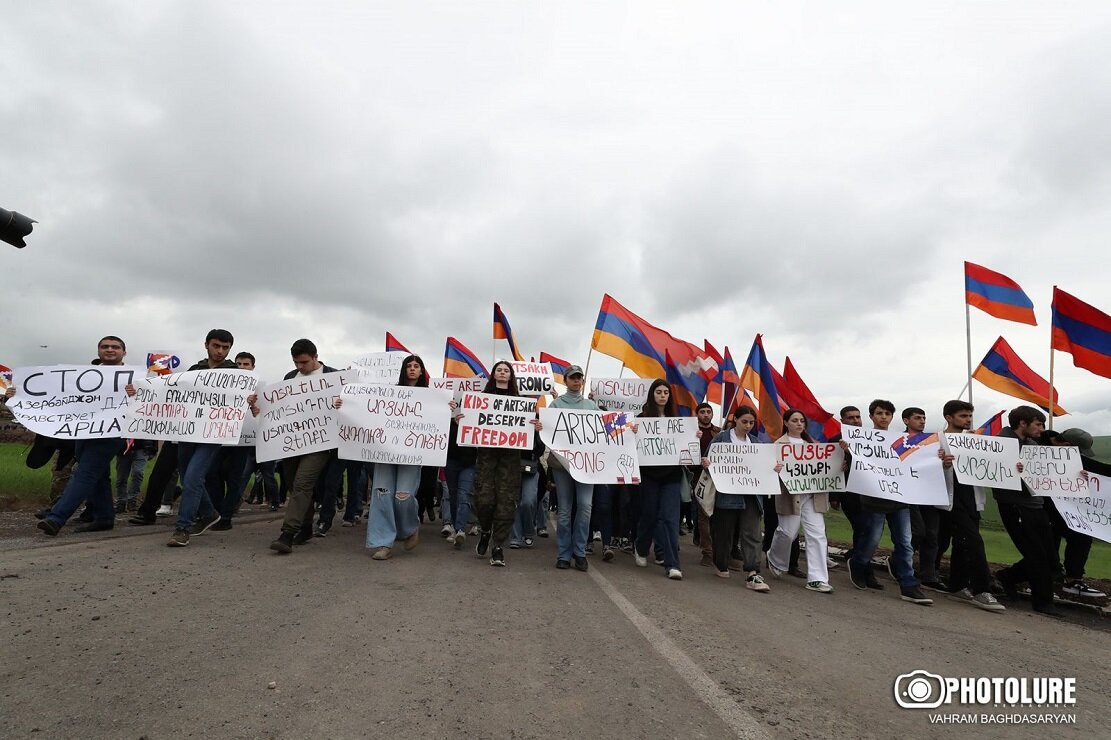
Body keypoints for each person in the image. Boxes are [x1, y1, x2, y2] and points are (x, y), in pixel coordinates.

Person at [27, 336, 130, 536]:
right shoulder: (82, 376)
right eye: (105, 346)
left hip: (112, 432)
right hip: (83, 432)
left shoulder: (133, 378)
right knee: (99, 476)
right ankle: (104, 518)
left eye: (115, 347)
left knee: (85, 473)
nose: (110, 350)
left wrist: (136, 392)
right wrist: (20, 392)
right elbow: (52, 393)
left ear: (123, 352)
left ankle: (56, 518)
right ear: (98, 350)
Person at [155, 329, 238, 547]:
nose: (220, 351)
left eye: (225, 347)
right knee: (186, 476)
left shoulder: (236, 374)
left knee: (193, 478)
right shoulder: (194, 370)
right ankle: (209, 513)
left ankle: (183, 528)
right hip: (187, 432)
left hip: (212, 434)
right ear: (207, 345)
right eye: (216, 346)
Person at [846, 400, 933, 606]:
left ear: (892, 417)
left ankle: (909, 584)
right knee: (872, 540)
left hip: (900, 500)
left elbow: (918, 463)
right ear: (872, 416)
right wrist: (850, 451)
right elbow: (859, 463)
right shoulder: (863, 439)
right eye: (879, 413)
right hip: (874, 500)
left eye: (887, 413)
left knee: (904, 542)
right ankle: (857, 563)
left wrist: (937, 457)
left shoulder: (903, 441)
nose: (883, 417)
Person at [260, 339, 341, 554]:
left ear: (315, 357)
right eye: (296, 362)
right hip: (292, 443)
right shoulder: (290, 378)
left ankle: (287, 533)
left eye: (304, 362)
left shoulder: (334, 377)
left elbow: (351, 407)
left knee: (303, 483)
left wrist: (342, 403)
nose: (300, 367)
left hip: (320, 444)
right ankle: (305, 527)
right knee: (295, 484)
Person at [994, 406, 1063, 617]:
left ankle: (1007, 577)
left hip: (1036, 504)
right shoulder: (1000, 444)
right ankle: (1043, 601)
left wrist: (1074, 476)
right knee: (1036, 554)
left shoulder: (1033, 445)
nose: (1042, 429)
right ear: (1022, 423)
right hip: (1014, 505)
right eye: (1038, 424)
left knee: (1051, 558)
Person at [470, 361, 540, 566]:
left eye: (506, 370)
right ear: (493, 374)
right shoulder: (481, 400)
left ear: (511, 376)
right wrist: (463, 420)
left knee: (506, 502)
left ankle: (498, 546)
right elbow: (471, 423)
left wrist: (536, 425)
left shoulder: (521, 403)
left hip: (510, 459)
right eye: (499, 370)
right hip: (486, 457)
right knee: (484, 500)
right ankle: (485, 530)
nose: (502, 372)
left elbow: (531, 429)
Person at [937, 400, 1005, 612]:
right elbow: (920, 467)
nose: (968, 420)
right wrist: (942, 464)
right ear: (949, 417)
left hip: (972, 498)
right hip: (949, 497)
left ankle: (957, 585)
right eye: (963, 416)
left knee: (962, 542)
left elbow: (995, 463)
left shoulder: (975, 440)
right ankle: (981, 590)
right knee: (974, 541)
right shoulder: (935, 440)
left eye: (969, 416)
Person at [363, 354, 432, 560]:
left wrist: (447, 410)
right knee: (382, 494)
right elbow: (366, 410)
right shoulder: (389, 394)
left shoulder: (431, 398)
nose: (412, 369)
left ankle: (410, 528)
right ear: (403, 370)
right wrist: (346, 405)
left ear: (421, 371)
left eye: (416, 366)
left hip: (411, 454)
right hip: (385, 452)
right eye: (408, 366)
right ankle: (383, 543)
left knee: (403, 496)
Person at [703, 405, 770, 592]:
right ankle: (721, 562)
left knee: (752, 532)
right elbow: (709, 462)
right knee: (724, 532)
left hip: (751, 495)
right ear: (735, 420)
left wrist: (773, 469)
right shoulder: (721, 439)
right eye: (744, 422)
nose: (748, 426)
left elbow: (764, 467)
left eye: (751, 422)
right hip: (727, 494)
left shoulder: (756, 443)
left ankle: (752, 572)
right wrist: (707, 463)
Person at [766, 409, 833, 593]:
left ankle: (817, 579)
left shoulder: (813, 446)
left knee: (817, 534)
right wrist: (775, 469)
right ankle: (775, 558)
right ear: (786, 423)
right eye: (794, 420)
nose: (799, 423)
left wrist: (838, 465)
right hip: (790, 496)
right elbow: (767, 470)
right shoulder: (777, 445)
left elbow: (826, 466)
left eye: (802, 420)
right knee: (788, 533)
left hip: (813, 495)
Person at [547, 364, 600, 572]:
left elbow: (606, 431)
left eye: (579, 378)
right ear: (566, 381)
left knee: (585, 507)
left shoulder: (591, 406)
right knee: (565, 510)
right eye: (572, 378)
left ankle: (579, 552)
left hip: (587, 466)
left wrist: (629, 427)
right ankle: (563, 554)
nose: (576, 381)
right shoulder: (556, 405)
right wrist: (542, 426)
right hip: (562, 466)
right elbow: (548, 433)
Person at [633, 379, 683, 580]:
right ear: (652, 395)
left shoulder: (677, 420)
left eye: (666, 392)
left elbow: (686, 443)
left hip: (671, 475)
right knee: (649, 514)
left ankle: (673, 565)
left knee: (670, 519)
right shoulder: (641, 418)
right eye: (658, 392)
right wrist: (632, 432)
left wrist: (693, 436)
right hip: (649, 475)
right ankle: (641, 546)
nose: (663, 395)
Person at [1050, 428, 1107, 598]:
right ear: (1068, 445)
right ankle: (1043, 581)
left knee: (1082, 537)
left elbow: (1099, 470)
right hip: (1042, 510)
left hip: (1066, 509)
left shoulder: (1074, 458)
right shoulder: (1040, 451)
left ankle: (1072, 580)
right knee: (1048, 544)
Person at [903, 406, 945, 591]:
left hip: (929, 492)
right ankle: (899, 560)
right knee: (917, 532)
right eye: (917, 418)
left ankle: (928, 575)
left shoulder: (932, 442)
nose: (922, 421)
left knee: (932, 536)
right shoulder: (899, 441)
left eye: (924, 418)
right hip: (910, 493)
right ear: (906, 420)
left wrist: (942, 459)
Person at [691, 402, 720, 567]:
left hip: (717, 478)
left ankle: (719, 550)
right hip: (699, 477)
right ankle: (707, 552)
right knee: (703, 515)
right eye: (702, 412)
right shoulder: (693, 432)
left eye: (709, 411)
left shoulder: (719, 433)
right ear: (698, 415)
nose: (706, 414)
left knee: (716, 515)